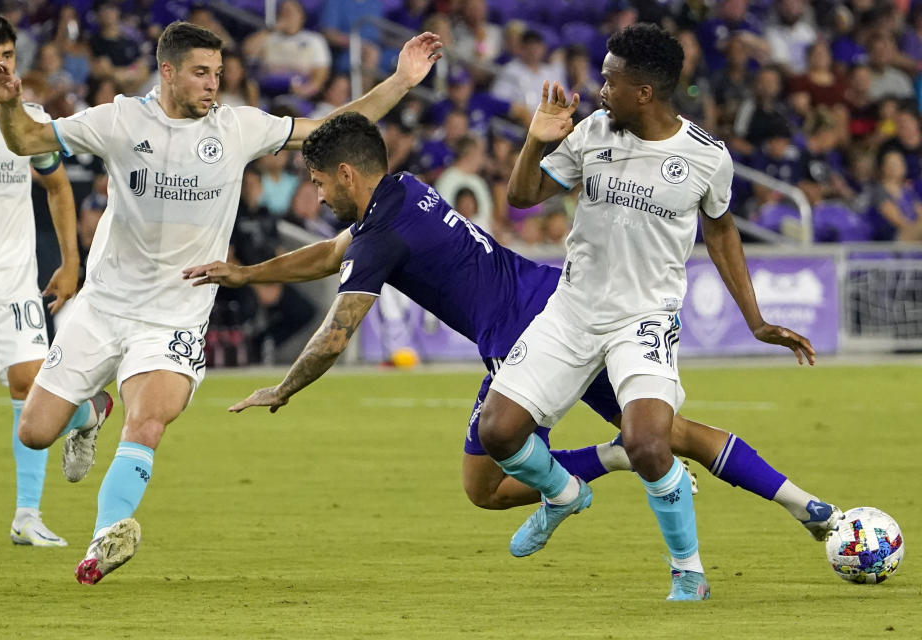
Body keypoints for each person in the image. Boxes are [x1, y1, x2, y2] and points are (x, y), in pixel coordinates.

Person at [183, 112, 840, 566]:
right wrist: (244, 274)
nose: (319, 194)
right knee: (665, 437)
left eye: (321, 181)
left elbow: (334, 336)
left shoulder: (382, 233)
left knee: (486, 486)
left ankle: (583, 483)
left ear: (348, 176)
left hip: (526, 335)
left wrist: (284, 387)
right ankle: (806, 506)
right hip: (552, 299)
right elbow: (330, 253)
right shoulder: (404, 192)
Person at [0, 22, 442, 584]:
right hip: (103, 305)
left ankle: (104, 538)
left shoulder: (239, 127)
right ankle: (90, 411)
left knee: (148, 421)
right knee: (33, 432)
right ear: (166, 72)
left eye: (218, 74)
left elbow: (339, 126)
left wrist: (402, 80)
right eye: (201, 73)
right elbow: (27, 139)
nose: (213, 85)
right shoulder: (119, 120)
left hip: (177, 312)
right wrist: (6, 105)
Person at [476, 24, 815, 602]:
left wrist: (755, 319)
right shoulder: (591, 133)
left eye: (610, 80)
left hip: (646, 319)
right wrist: (536, 141)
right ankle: (562, 492)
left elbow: (723, 232)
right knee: (498, 433)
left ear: (645, 92)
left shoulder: (707, 158)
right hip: (574, 309)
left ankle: (689, 571)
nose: (600, 89)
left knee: (649, 443)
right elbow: (522, 197)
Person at [0, 12, 112, 549]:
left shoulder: (28, 120)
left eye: (5, 54)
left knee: (29, 391)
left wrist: (71, 262)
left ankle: (28, 515)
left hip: (14, 283)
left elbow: (57, 188)